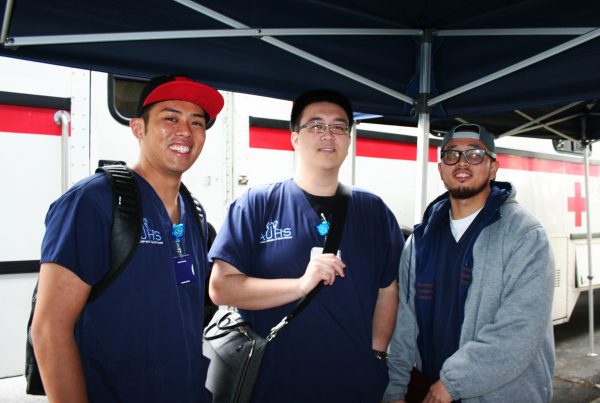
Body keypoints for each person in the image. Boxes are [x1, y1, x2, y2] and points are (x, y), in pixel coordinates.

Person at [32, 75, 224, 403]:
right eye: (170, 117)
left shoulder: (194, 211)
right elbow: (49, 329)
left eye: (197, 122)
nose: (186, 131)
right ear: (138, 128)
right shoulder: (95, 201)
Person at [208, 89, 404, 402]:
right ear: (295, 138)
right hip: (272, 384)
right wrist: (299, 286)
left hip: (354, 385)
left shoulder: (373, 211)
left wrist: (376, 355)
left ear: (349, 139)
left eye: (339, 127)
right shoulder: (256, 205)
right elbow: (221, 288)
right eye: (315, 126)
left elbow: (387, 289)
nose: (328, 135)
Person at [383, 124, 555, 403]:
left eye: (475, 154)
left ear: (493, 167)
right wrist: (395, 388)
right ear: (441, 168)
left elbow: (520, 329)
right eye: (452, 155)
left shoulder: (524, 235)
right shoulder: (419, 242)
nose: (462, 163)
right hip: (428, 390)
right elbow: (404, 322)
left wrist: (452, 383)